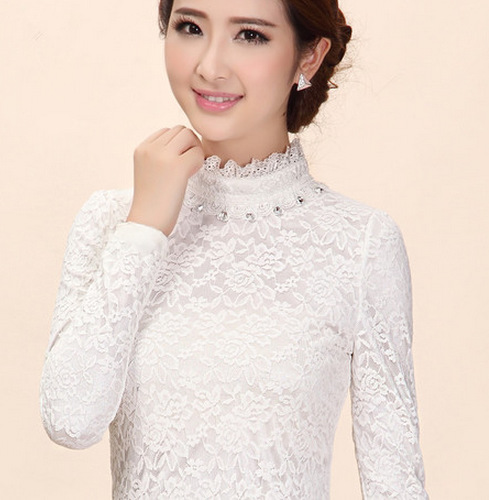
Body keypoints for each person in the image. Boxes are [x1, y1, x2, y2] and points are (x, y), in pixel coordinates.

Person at [39, 0, 429, 498]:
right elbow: (69, 421)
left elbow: (395, 482)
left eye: (250, 35)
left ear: (309, 56)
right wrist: (144, 229)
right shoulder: (113, 221)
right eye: (190, 27)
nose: (210, 66)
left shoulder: (361, 242)